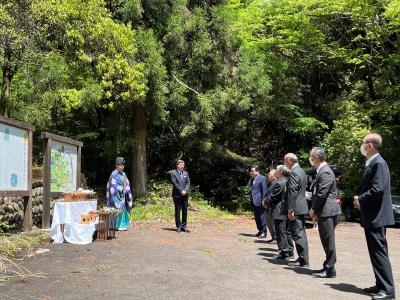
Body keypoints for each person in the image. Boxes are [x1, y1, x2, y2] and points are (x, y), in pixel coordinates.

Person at [353, 133, 395, 300]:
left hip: (377, 216)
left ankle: (388, 290)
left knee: (379, 253)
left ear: (370, 145)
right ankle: (380, 285)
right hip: (373, 216)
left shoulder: (379, 163)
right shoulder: (372, 162)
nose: (362, 146)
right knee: (375, 252)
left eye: (363, 143)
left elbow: (378, 189)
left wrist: (360, 199)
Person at [308, 147, 341, 278]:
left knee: (328, 241)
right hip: (325, 211)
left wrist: (313, 209)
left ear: (316, 157)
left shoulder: (325, 171)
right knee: (326, 240)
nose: (310, 158)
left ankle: (329, 269)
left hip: (328, 211)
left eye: (311, 156)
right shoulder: (322, 171)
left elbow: (322, 194)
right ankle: (328, 266)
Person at [282, 153, 309, 267]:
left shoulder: (294, 172)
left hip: (296, 208)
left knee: (298, 234)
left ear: (289, 161)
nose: (284, 163)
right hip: (301, 206)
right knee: (301, 233)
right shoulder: (301, 171)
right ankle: (303, 258)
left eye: (284, 161)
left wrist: (290, 209)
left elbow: (292, 191)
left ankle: (303, 260)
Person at [264, 165, 294, 260]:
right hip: (285, 210)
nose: (275, 172)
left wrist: (265, 202)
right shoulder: (288, 181)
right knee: (286, 232)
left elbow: (273, 196)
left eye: (277, 171)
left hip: (279, 210)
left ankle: (284, 252)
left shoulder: (280, 183)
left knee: (281, 232)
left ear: (281, 172)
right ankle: (289, 251)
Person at [106, 157, 133, 231]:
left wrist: (127, 189)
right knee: (117, 207)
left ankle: (123, 224)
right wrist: (121, 189)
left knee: (123, 208)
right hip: (116, 196)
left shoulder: (124, 174)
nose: (123, 167)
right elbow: (113, 185)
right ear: (117, 165)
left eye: (123, 166)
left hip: (123, 195)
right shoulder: (113, 174)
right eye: (121, 165)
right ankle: (115, 225)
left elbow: (127, 183)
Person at [171, 160, 191, 233]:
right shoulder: (173, 173)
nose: (182, 166)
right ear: (177, 165)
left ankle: (184, 226)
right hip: (177, 195)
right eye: (181, 165)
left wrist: (185, 190)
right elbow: (174, 183)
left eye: (183, 165)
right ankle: (178, 226)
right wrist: (181, 191)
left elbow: (188, 183)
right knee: (177, 211)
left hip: (185, 195)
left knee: (185, 211)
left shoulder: (186, 173)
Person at [250, 165, 268, 238]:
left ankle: (264, 232)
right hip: (254, 201)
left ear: (257, 171)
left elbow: (264, 190)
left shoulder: (262, 178)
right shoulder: (253, 179)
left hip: (260, 201)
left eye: (252, 171)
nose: (251, 172)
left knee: (262, 217)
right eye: (251, 171)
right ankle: (260, 231)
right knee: (257, 217)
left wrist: (264, 201)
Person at [265, 169, 276, 242]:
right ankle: (273, 237)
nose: (268, 176)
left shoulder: (276, 184)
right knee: (269, 222)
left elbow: (273, 196)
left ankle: (276, 238)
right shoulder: (270, 183)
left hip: (273, 206)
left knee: (273, 223)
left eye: (270, 174)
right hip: (268, 206)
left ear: (275, 176)